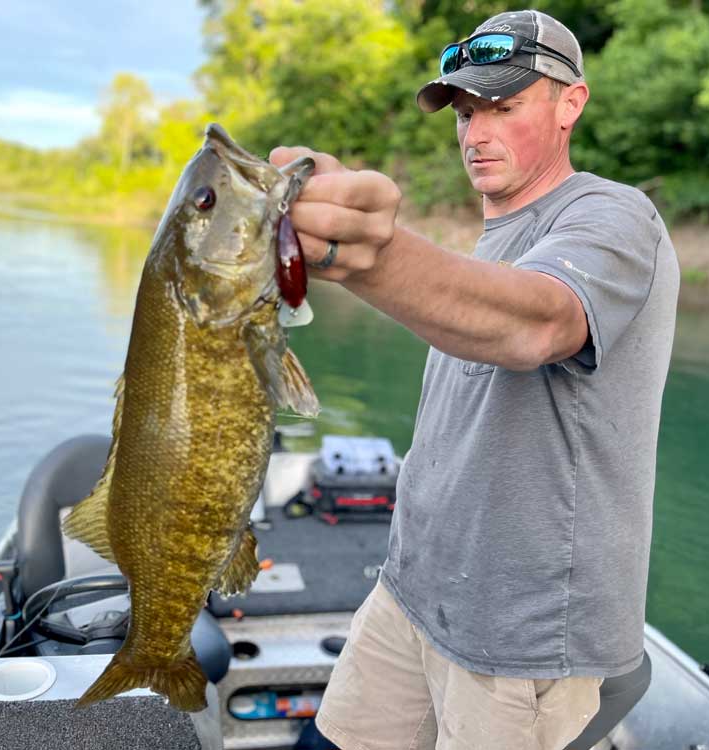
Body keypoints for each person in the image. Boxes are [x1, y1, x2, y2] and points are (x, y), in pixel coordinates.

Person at [269, 9, 680, 750]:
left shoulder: (615, 216)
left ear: (570, 104)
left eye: (504, 105)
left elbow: (538, 324)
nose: (476, 131)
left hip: (519, 642)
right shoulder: (488, 241)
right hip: (410, 594)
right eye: (465, 110)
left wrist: (369, 256)